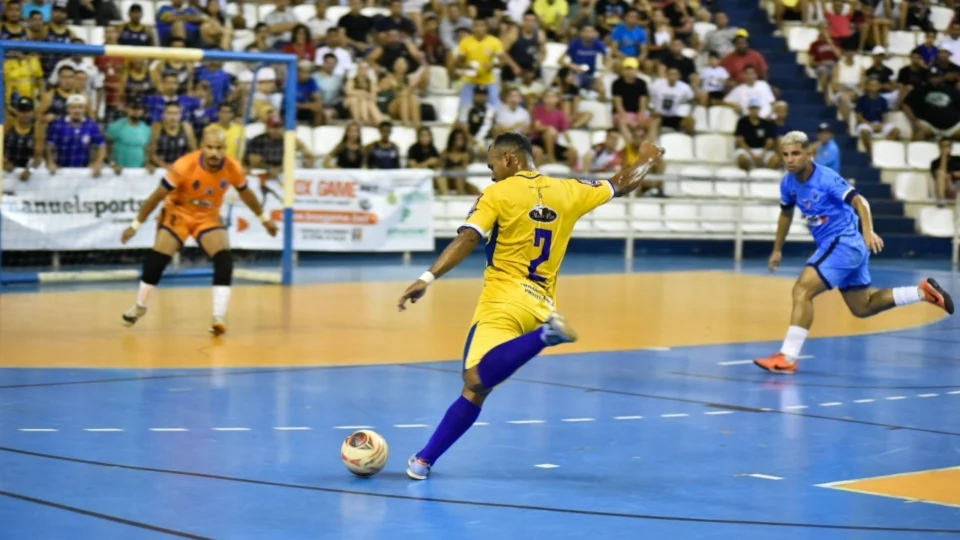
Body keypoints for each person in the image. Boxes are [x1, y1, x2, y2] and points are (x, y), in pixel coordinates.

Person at [398, 132, 665, 480]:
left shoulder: (497, 193)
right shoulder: (569, 190)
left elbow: (468, 237)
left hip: (503, 299)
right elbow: (620, 183)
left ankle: (547, 336)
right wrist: (646, 158)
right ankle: (423, 460)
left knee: (474, 377)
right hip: (539, 303)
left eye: (492, 164)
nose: (491, 173)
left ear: (509, 159)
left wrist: (427, 277)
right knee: (477, 390)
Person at [754, 131, 954, 374]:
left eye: (796, 153)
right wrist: (777, 249)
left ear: (809, 153)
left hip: (844, 243)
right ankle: (922, 292)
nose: (790, 159)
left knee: (802, 290)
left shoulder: (826, 178)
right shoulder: (788, 183)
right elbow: (786, 213)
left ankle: (787, 356)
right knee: (863, 307)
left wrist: (868, 231)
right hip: (845, 249)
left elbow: (860, 202)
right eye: (785, 155)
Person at [120, 127, 279, 336]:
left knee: (224, 259)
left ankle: (218, 317)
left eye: (219, 148)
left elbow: (246, 194)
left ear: (225, 149)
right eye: (210, 147)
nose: (214, 153)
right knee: (157, 261)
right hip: (179, 212)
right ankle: (140, 306)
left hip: (208, 215)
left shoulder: (232, 167)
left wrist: (264, 219)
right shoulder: (185, 165)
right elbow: (157, 196)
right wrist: (135, 225)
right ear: (202, 147)